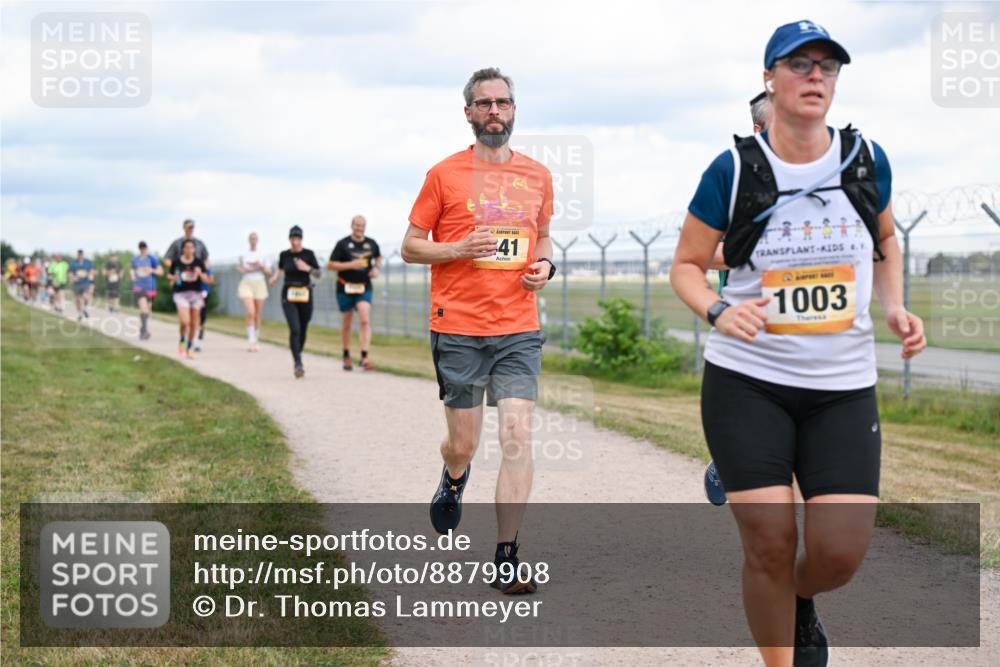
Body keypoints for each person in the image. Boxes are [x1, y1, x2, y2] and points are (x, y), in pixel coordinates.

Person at [670, 21, 927, 667]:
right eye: (800, 64)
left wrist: (895, 304)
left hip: (842, 387)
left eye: (828, 67)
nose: (816, 76)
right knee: (770, 542)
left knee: (839, 553)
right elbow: (686, 266)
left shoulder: (866, 160)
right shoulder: (732, 170)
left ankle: (798, 599)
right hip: (747, 380)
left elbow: (887, 240)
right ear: (769, 77)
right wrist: (719, 308)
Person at [402, 67, 555, 595]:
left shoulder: (537, 175)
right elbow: (409, 245)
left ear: (514, 110)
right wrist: (456, 250)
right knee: (463, 444)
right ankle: (453, 477)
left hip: (518, 326)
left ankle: (507, 556)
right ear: (468, 113)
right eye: (485, 104)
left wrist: (545, 267)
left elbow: (544, 237)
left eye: (504, 103)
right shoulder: (444, 175)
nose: (495, 111)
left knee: (516, 436)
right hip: (459, 327)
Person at [705, 89, 776, 506]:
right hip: (745, 316)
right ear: (757, 128)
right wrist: (748, 250)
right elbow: (700, 253)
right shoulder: (732, 179)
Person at [327, 215, 381, 370]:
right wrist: (351, 264)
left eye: (362, 225)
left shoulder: (372, 243)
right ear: (352, 226)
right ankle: (346, 355)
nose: (360, 228)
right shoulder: (342, 244)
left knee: (364, 319)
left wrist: (376, 268)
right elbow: (330, 265)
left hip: (363, 287)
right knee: (347, 323)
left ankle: (364, 357)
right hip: (345, 287)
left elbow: (378, 258)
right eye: (357, 225)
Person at [269, 226, 321, 378]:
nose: (295, 241)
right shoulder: (284, 255)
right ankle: (298, 363)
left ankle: (298, 351)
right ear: (290, 239)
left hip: (305, 293)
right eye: (293, 238)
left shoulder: (308, 254)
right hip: (289, 294)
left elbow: (318, 274)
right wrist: (274, 277)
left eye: (298, 238)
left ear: (301, 239)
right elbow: (280, 269)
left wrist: (307, 268)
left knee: (303, 328)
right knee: (295, 328)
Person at [164, 219, 210, 342]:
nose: (190, 229)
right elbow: (167, 259)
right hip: (181, 283)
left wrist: (201, 270)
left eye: (192, 227)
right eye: (188, 227)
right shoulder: (177, 243)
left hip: (197, 282)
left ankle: (197, 333)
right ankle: (185, 336)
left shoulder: (200, 243)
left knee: (200, 311)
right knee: (185, 318)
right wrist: (178, 270)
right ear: (184, 228)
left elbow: (206, 260)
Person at [169, 239, 206, 359]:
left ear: (194, 249)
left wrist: (200, 273)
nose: (189, 250)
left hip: (196, 294)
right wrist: (174, 278)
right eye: (187, 247)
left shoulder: (199, 262)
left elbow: (206, 278)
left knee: (194, 323)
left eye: (191, 247)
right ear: (183, 249)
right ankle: (182, 339)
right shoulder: (176, 262)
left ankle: (190, 347)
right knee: (185, 322)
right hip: (181, 294)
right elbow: (170, 275)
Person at [237, 232, 272, 352]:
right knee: (250, 312)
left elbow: (269, 272)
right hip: (247, 283)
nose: (253, 240)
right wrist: (244, 269)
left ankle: (256, 340)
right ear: (248, 240)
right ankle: (251, 341)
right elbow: (239, 267)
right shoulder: (243, 254)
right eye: (251, 238)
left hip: (259, 283)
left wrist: (260, 266)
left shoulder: (263, 254)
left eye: (255, 238)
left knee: (257, 314)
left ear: (257, 240)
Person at [130, 241, 163, 340]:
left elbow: (161, 272)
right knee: (143, 308)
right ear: (139, 248)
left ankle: (142, 328)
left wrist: (151, 270)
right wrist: (132, 275)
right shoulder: (135, 259)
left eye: (144, 247)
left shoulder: (152, 259)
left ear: (146, 248)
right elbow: (132, 269)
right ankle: (144, 332)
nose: (142, 249)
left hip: (150, 287)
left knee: (147, 311)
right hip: (139, 286)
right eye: (141, 247)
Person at [68, 250, 94, 320]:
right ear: (78, 255)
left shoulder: (88, 262)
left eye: (82, 254)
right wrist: (73, 278)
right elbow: (70, 273)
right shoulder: (73, 263)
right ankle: (79, 313)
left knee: (86, 297)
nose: (81, 256)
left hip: (85, 282)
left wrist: (90, 276)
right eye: (79, 255)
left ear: (83, 255)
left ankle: (84, 308)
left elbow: (92, 271)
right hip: (77, 283)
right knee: (77, 299)